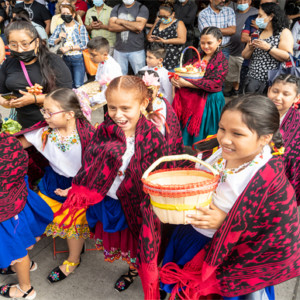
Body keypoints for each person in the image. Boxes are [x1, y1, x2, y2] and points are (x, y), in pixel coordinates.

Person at [53, 76, 183, 298]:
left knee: (140, 247)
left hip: (139, 207)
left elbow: (165, 173)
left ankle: (138, 273)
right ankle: (132, 269)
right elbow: (92, 163)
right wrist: (79, 189)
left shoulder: (154, 137)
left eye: (125, 108)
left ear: (143, 104)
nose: (118, 114)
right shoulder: (104, 130)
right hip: (112, 202)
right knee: (125, 247)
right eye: (112, 107)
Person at [160, 95, 300, 300]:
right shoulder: (215, 152)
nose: (224, 139)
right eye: (222, 128)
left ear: (265, 138)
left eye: (238, 133)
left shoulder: (270, 180)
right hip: (190, 239)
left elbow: (274, 236)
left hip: (225, 258)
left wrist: (226, 223)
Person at [16, 88, 95, 284]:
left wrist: (78, 187)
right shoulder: (44, 131)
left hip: (78, 185)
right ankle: (20, 254)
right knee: (41, 215)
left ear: (69, 114)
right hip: (52, 182)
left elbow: (97, 168)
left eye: (50, 112)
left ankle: (73, 259)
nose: (45, 116)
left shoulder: (88, 137)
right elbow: (17, 144)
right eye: (44, 111)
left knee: (73, 225)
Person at [0, 113, 53, 300]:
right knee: (21, 241)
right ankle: (26, 265)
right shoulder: (9, 140)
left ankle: (25, 289)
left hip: (5, 214)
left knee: (16, 250)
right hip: (19, 202)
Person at [0, 20, 72, 129]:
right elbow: (1, 94)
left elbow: (67, 94)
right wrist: (7, 103)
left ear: (37, 42)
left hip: (53, 125)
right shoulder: (9, 63)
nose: (19, 50)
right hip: (24, 125)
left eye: (25, 44)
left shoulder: (53, 61)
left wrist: (35, 99)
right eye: (13, 45)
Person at [171, 26, 228, 146]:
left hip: (210, 101)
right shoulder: (198, 57)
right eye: (202, 43)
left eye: (209, 43)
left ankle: (202, 154)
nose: (205, 46)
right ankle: (188, 150)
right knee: (190, 130)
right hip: (194, 99)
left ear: (219, 41)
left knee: (205, 132)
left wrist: (186, 83)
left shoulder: (222, 61)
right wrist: (175, 79)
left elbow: (214, 84)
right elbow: (184, 70)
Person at [242, 3, 293, 94]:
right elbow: (245, 55)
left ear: (271, 16)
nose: (257, 18)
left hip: (272, 81)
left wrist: (268, 48)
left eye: (260, 15)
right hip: (253, 79)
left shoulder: (283, 32)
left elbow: (288, 56)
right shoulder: (257, 32)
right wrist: (250, 48)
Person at [267, 74, 300, 205]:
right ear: (269, 90)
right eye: (275, 91)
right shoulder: (255, 113)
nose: (278, 97)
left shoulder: (297, 122)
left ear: (296, 98)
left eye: (286, 94)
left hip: (284, 180)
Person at [49, 4, 89, 88]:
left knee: (78, 84)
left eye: (67, 13)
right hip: (64, 58)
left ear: (73, 14)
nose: (65, 15)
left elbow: (85, 44)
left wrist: (69, 48)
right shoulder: (59, 27)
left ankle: (79, 100)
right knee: (68, 84)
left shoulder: (80, 27)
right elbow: (50, 41)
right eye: (63, 13)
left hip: (77, 58)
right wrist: (58, 39)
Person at [224, 0, 257, 97]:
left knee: (241, 74)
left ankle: (238, 92)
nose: (242, 2)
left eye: (245, 0)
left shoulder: (255, 13)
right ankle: (235, 89)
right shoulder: (233, 13)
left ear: (250, 1)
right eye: (240, 0)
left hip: (244, 51)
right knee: (232, 74)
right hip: (231, 48)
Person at [108, 0, 149, 75]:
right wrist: (133, 26)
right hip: (119, 50)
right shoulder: (116, 8)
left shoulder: (141, 8)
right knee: (119, 76)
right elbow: (111, 27)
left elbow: (139, 26)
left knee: (140, 76)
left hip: (137, 50)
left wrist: (121, 21)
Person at [147, 1, 187, 71]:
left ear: (173, 14)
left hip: (171, 60)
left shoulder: (178, 23)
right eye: (160, 16)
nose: (163, 19)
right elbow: (148, 36)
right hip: (156, 60)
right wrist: (150, 39)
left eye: (165, 17)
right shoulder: (158, 22)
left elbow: (182, 40)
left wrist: (165, 41)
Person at [87, 36, 122, 106]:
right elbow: (98, 80)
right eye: (89, 54)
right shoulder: (102, 62)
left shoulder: (111, 67)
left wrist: (90, 100)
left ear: (105, 54)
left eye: (93, 55)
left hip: (113, 101)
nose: (90, 57)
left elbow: (108, 91)